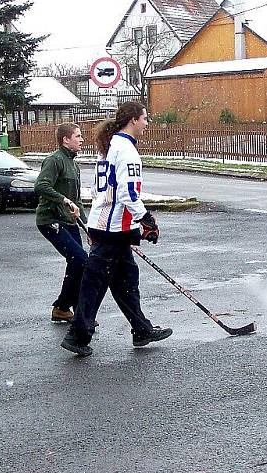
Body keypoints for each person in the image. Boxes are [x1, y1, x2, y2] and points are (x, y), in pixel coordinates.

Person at [61, 101, 171, 357]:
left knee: (126, 281)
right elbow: (126, 192)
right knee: (94, 284)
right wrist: (145, 219)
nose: (146, 123)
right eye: (145, 118)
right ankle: (78, 335)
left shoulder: (110, 146)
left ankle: (141, 328)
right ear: (132, 119)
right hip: (112, 229)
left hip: (108, 225)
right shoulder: (126, 151)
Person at [34, 122, 88, 323]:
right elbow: (41, 186)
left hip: (68, 221)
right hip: (50, 220)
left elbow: (78, 200)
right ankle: (65, 307)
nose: (82, 140)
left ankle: (64, 309)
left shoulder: (74, 164)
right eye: (78, 136)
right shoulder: (54, 160)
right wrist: (63, 200)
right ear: (65, 140)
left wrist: (88, 227)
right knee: (81, 259)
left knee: (79, 263)